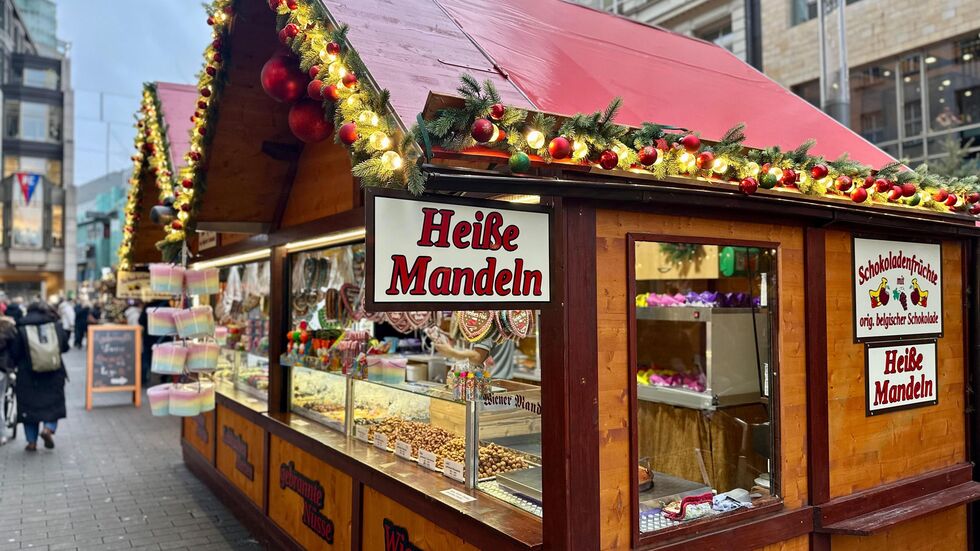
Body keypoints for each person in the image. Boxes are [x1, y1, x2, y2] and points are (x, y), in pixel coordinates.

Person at [11, 302, 69, 452]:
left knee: (29, 409)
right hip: (54, 373)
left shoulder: (21, 327)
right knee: (53, 405)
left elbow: (14, 353)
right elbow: (65, 347)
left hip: (27, 376)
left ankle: (31, 442)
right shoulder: (55, 325)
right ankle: (48, 429)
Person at [435, 336, 516, 380]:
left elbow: (477, 357)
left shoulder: (487, 325)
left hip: (491, 384)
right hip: (505, 382)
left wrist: (451, 352)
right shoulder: (502, 320)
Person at [0, 311, 17, 445]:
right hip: (3, 369)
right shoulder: (8, 328)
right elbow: (14, 352)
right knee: (1, 400)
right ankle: (2, 434)